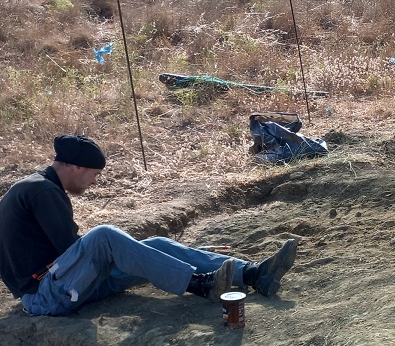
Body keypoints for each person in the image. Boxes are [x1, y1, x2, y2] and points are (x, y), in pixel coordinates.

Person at [0, 135, 298, 317]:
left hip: (62, 286)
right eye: (94, 175)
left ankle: (253, 273)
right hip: (45, 297)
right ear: (75, 167)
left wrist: (129, 253)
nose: (93, 183)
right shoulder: (42, 191)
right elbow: (73, 251)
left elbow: (70, 256)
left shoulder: (38, 188)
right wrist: (119, 251)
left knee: (155, 244)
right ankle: (198, 284)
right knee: (104, 236)